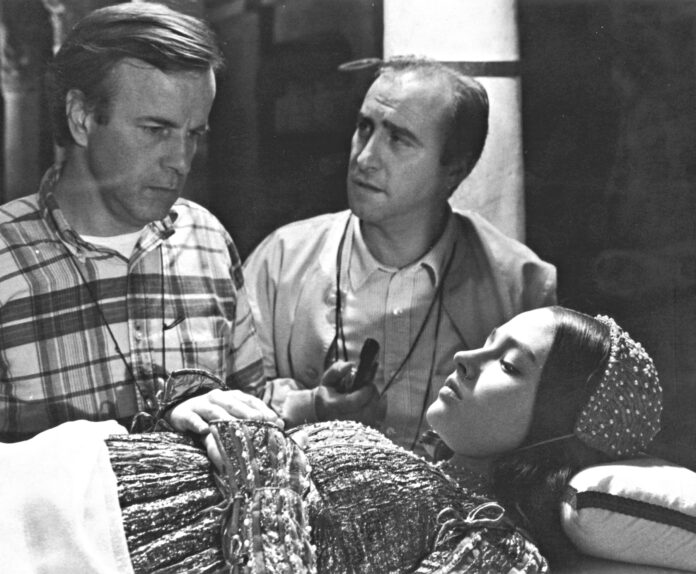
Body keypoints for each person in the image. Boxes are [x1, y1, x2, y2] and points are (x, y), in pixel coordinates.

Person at [0, 306, 662, 573]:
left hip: (91, 545)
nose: (467, 359)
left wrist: (264, 467)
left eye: (509, 366)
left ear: (553, 429)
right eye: (488, 340)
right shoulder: (420, 465)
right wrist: (191, 404)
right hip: (71, 474)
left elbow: (268, 498)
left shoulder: (497, 550)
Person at [243, 56, 557, 452]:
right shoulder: (280, 261)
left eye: (398, 139)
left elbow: (537, 438)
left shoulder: (520, 285)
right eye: (364, 128)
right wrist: (311, 406)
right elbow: (230, 399)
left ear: (454, 170)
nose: (364, 158)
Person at [0, 2, 280, 443]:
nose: (180, 160)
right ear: (81, 118)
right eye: (155, 130)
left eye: (193, 134)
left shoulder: (207, 239)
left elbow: (254, 417)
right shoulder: (5, 260)